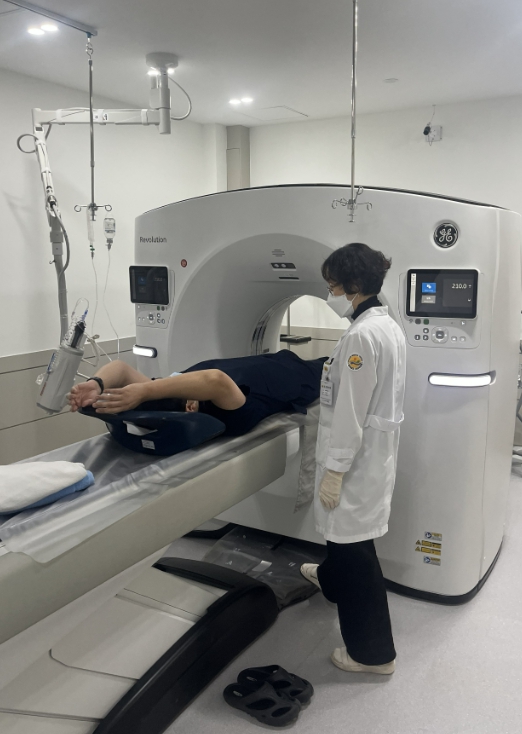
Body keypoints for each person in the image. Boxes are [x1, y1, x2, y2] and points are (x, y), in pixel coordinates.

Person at [300, 242, 406, 675]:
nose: (331, 295)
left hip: (357, 461)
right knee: (345, 541)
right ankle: (330, 581)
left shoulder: (363, 336)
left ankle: (373, 655)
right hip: (372, 455)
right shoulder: (385, 325)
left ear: (355, 285)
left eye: (333, 287)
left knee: (354, 551)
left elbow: (350, 413)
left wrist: (335, 472)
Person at [68, 350, 328, 437]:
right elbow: (214, 380)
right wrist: (144, 391)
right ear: (192, 409)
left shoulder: (161, 396)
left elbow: (121, 369)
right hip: (296, 374)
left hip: (266, 359)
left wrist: (96, 383)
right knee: (331, 368)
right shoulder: (230, 415)